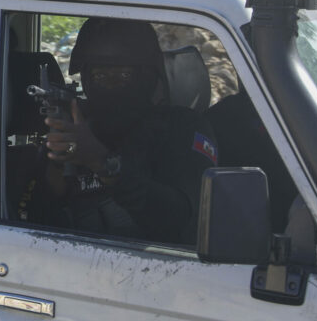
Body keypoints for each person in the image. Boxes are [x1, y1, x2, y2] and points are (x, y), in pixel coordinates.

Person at [32, 18, 218, 244]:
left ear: (148, 77)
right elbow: (35, 220)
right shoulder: (77, 123)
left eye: (122, 76)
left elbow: (183, 221)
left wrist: (102, 163)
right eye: (100, 76)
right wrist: (60, 160)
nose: (109, 85)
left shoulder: (181, 128)